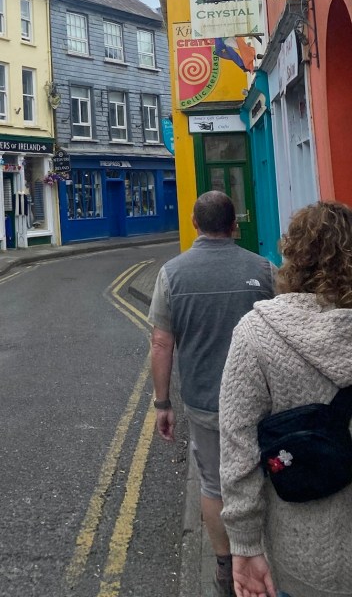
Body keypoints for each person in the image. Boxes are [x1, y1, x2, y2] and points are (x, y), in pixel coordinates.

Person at [219, 201, 352, 597]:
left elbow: (238, 448)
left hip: (304, 555)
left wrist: (244, 544)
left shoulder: (258, 334)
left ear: (293, 255)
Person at [149, 190, 275, 597]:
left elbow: (161, 343)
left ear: (194, 224)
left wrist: (163, 403)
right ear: (234, 225)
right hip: (261, 403)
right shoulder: (265, 269)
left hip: (206, 402)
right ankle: (266, 558)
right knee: (266, 477)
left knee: (214, 484)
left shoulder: (171, 274)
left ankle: (225, 566)